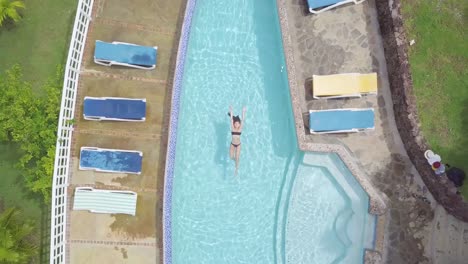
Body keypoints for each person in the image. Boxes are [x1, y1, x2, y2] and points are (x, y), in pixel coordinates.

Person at [229, 106, 246, 174]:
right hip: (232, 144)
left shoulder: (240, 129)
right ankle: (235, 160)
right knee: (231, 157)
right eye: (235, 123)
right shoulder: (232, 128)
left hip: (238, 145)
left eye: (238, 123)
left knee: (237, 157)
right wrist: (231, 111)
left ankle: (236, 169)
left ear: (239, 124)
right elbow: (231, 120)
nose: (236, 124)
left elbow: (243, 120)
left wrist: (243, 112)